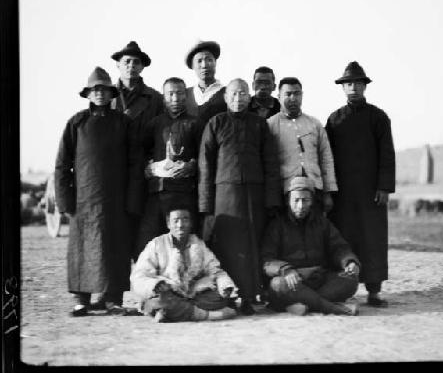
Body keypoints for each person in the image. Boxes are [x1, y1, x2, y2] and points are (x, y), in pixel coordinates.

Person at [54, 67, 143, 316]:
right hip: (84, 200)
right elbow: (62, 164)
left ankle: (112, 299)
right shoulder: (77, 122)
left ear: (111, 93)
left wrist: (132, 201)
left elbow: (136, 164)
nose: (100, 94)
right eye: (95, 90)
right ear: (88, 94)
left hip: (116, 200)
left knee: (116, 249)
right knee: (82, 250)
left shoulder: (124, 123)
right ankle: (81, 299)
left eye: (104, 89)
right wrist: (65, 201)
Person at [198, 78, 281, 315]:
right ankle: (230, 296)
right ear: (225, 97)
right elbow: (205, 165)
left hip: (254, 194)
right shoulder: (216, 123)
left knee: (254, 245)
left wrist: (271, 199)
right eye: (233, 94)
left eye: (243, 94)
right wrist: (206, 205)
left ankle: (252, 294)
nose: (238, 98)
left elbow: (270, 162)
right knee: (229, 247)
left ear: (249, 96)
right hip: (225, 195)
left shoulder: (259, 125)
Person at [325, 61, 396, 307]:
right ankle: (346, 289)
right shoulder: (334, 120)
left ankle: (374, 291)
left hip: (370, 194)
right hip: (343, 194)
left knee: (372, 238)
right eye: (347, 84)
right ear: (342, 88)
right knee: (345, 239)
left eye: (356, 83)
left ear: (364, 86)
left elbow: (387, 155)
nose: (352, 87)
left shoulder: (378, 118)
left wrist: (384, 187)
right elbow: (327, 157)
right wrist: (329, 191)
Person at [261, 176, 360, 316]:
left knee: (350, 280)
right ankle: (331, 308)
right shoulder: (277, 225)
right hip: (293, 281)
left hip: (319, 279)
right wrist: (285, 270)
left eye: (305, 200)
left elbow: (339, 247)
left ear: (312, 201)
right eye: (296, 200)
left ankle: (301, 305)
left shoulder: (322, 223)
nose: (300, 206)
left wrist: (349, 262)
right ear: (288, 201)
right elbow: (266, 260)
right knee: (278, 285)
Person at [133, 77, 201, 260]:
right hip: (157, 193)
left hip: (184, 193)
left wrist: (192, 165)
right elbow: (141, 152)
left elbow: (205, 154)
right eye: (170, 94)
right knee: (147, 241)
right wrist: (147, 167)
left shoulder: (195, 124)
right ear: (164, 98)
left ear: (186, 96)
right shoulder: (154, 124)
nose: (175, 98)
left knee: (183, 244)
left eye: (180, 93)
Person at [131, 207, 238, 322]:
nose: (180, 225)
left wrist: (224, 285)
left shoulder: (198, 244)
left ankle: (172, 312)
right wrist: (156, 284)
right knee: (159, 301)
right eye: (176, 221)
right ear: (168, 224)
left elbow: (215, 270)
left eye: (185, 220)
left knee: (219, 297)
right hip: (168, 294)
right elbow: (139, 276)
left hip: (193, 295)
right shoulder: (156, 244)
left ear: (191, 223)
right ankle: (210, 315)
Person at [267, 77, 338, 213]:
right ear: (279, 96)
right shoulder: (270, 125)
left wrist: (328, 192)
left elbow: (326, 158)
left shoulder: (314, 124)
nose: (293, 98)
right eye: (288, 94)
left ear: (302, 95)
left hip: (314, 190)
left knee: (315, 231)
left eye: (297, 93)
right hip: (285, 191)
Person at [184, 40, 227, 127]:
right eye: (199, 61)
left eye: (209, 60)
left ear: (215, 63)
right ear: (193, 66)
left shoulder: (228, 94)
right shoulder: (185, 94)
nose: (204, 65)